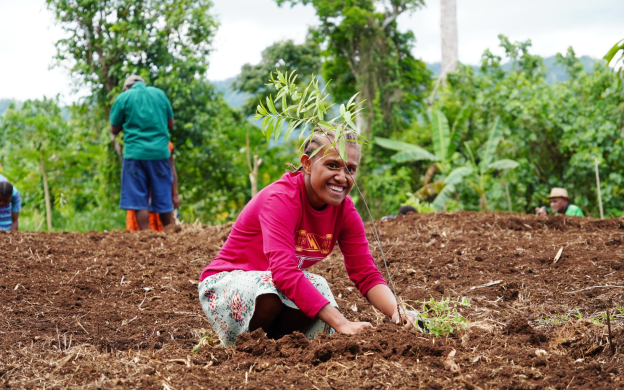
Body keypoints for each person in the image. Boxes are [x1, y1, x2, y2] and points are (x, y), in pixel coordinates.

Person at [198, 129, 415, 346]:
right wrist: (341, 323)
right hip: (226, 286)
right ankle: (246, 348)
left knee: (316, 287)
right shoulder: (281, 200)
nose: (342, 177)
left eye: (350, 169)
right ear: (308, 164)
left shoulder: (345, 211)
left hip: (271, 283)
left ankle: (280, 348)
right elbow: (283, 273)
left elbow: (365, 273)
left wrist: (397, 311)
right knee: (274, 288)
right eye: (332, 165)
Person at [110, 75, 175, 230]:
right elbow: (171, 124)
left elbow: (114, 129)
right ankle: (171, 234)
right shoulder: (159, 94)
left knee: (140, 200)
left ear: (127, 87)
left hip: (135, 155)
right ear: (143, 84)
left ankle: (146, 237)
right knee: (163, 197)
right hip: (160, 153)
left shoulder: (124, 97)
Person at [126, 141, 180, 231]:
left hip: (155, 198)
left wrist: (175, 193)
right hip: (147, 198)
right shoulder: (163, 144)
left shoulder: (165, 145)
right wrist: (175, 194)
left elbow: (171, 169)